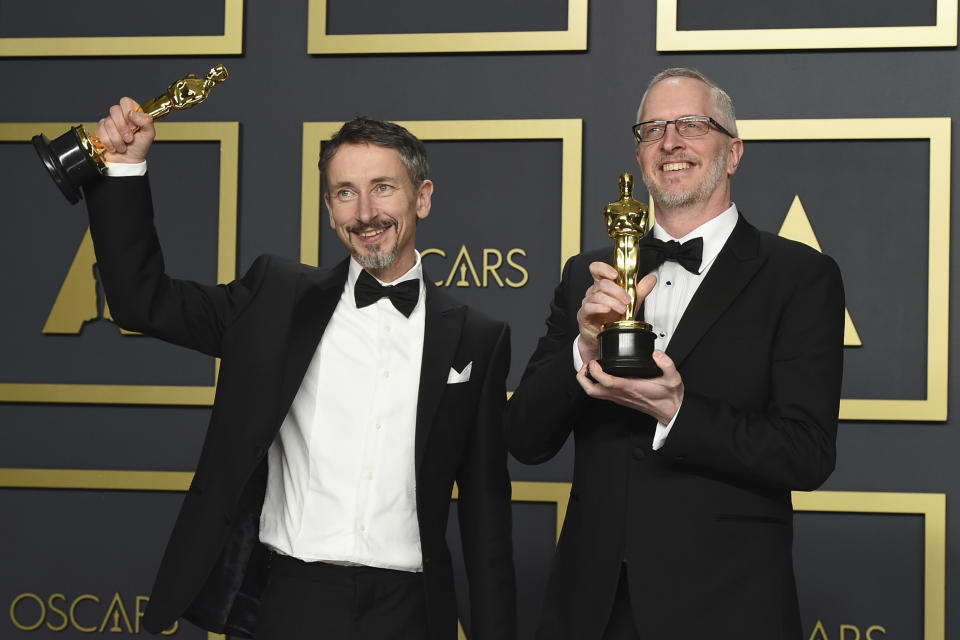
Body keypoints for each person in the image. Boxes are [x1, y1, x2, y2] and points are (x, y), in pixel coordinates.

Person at [86, 101, 517, 640]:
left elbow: (485, 516)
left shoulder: (477, 336)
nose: (365, 213)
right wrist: (123, 167)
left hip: (411, 611)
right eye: (345, 193)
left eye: (383, 187)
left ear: (422, 198)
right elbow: (139, 303)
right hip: (292, 601)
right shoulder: (274, 299)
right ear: (329, 209)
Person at [504, 67, 844, 640]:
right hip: (591, 610)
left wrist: (678, 414)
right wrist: (581, 347)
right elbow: (525, 439)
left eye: (691, 124)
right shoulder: (587, 274)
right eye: (652, 129)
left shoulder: (799, 276)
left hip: (728, 607)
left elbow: (806, 454)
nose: (670, 142)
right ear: (639, 156)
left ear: (732, 153)